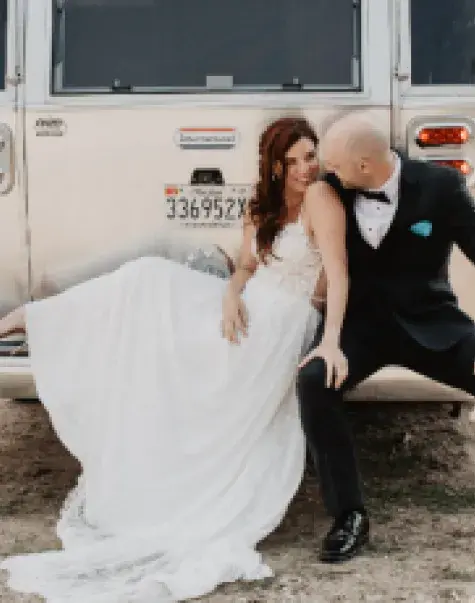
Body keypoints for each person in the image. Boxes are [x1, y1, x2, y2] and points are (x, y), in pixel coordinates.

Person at [0, 117, 349, 603]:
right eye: (290, 162)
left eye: (309, 157)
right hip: (248, 306)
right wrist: (231, 296)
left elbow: (337, 272)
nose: (303, 170)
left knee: (155, 292)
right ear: (272, 166)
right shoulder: (261, 207)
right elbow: (247, 266)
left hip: (284, 322)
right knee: (147, 279)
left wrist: (330, 340)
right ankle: (35, 317)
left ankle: (34, 317)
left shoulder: (321, 199)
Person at [297, 112, 475, 564]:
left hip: (431, 323)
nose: (327, 172)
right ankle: (349, 515)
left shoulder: (441, 187)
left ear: (363, 165)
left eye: (334, 164)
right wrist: (330, 339)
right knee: (315, 382)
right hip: (362, 327)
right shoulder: (333, 189)